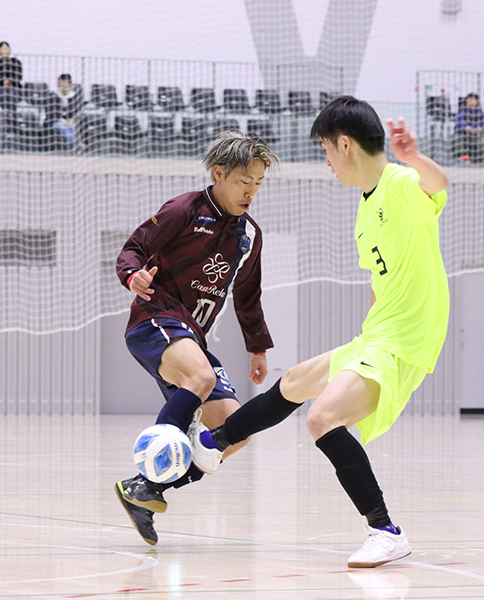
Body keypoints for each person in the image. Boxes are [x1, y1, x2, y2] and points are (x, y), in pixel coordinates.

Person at [193, 97, 450, 569]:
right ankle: (214, 444)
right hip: (379, 333)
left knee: (322, 418)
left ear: (345, 145)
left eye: (326, 150)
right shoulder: (366, 208)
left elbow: (437, 184)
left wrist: (413, 156)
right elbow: (380, 282)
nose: (326, 161)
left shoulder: (399, 184)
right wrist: (365, 339)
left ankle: (385, 531)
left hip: (407, 337)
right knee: (295, 381)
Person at [113, 130, 278, 545]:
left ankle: (146, 488)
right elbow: (134, 247)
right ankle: (148, 473)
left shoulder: (249, 235)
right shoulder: (184, 210)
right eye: (244, 181)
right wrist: (133, 276)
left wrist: (257, 347)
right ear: (219, 173)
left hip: (193, 338)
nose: (251, 191)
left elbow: (248, 293)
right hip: (155, 319)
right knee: (200, 377)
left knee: (235, 431)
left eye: (259, 183)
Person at [51, 73, 84, 146]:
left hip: (70, 121)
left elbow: (76, 111)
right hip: (58, 121)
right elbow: (51, 113)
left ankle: (77, 144)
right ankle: (73, 144)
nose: (65, 85)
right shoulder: (53, 96)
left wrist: (71, 121)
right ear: (59, 84)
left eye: (67, 83)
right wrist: (64, 121)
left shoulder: (73, 96)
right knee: (62, 127)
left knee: (74, 127)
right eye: (63, 83)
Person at [453, 93, 484, 162]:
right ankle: (462, 156)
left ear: (477, 102)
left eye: (473, 100)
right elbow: (457, 124)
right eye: (469, 100)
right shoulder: (462, 112)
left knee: (483, 140)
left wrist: (474, 128)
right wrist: (465, 127)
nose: (471, 102)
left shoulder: (480, 113)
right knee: (457, 137)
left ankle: (479, 159)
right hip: (464, 134)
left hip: (476, 134)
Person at [0, 41, 22, 111]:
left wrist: (9, 81)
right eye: (2, 49)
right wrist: (2, 81)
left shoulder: (15, 62)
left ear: (9, 50)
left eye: (6, 48)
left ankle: (12, 114)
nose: (4, 51)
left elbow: (18, 76)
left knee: (11, 94)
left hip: (13, 88)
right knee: (2, 95)